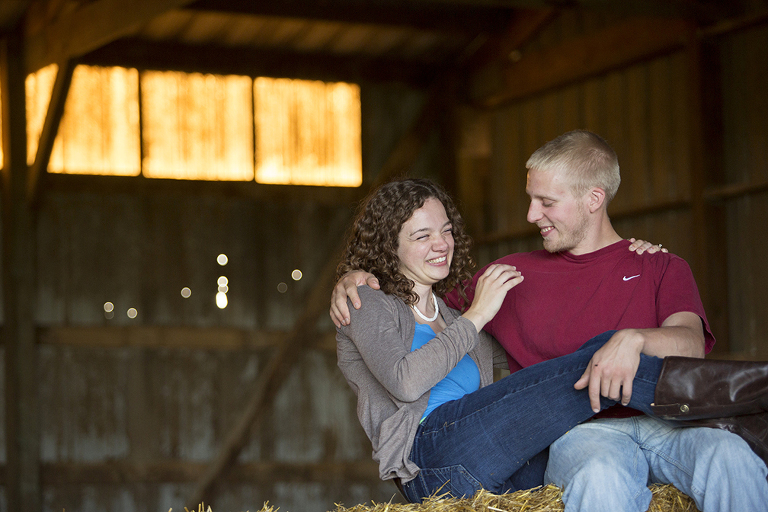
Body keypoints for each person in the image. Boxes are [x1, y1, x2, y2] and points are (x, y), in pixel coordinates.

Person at [332, 132, 768, 512]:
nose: (530, 215)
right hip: (563, 439)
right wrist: (356, 276)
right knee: (594, 427)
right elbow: (410, 324)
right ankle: (753, 389)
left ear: (593, 199)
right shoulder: (507, 278)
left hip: (652, 427)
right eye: (531, 199)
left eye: (546, 202)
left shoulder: (659, 265)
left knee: (733, 456)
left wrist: (633, 340)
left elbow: (689, 344)